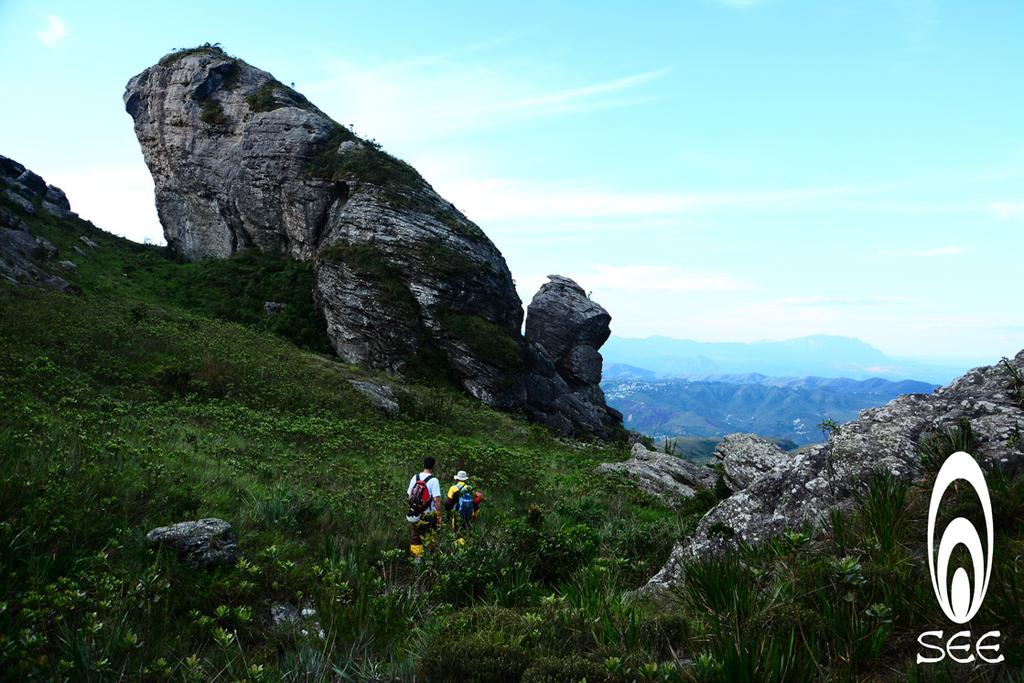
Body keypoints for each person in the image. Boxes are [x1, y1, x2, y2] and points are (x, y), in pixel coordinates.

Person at [407, 457, 442, 559]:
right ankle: (430, 560)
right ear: (433, 466)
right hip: (429, 514)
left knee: (416, 537)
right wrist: (439, 515)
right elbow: (436, 500)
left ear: (423, 465)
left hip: (416, 512)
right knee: (430, 536)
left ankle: (417, 560)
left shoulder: (415, 477)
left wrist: (413, 509)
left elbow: (409, 495)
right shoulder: (434, 480)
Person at [445, 470, 484, 544]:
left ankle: (460, 548)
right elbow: (475, 503)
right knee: (467, 531)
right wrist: (475, 514)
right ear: (465, 479)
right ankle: (468, 547)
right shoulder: (470, 488)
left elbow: (448, 503)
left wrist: (448, 513)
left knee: (458, 533)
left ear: (456, 479)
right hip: (468, 514)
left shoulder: (453, 488)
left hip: (457, 513)